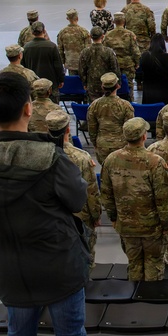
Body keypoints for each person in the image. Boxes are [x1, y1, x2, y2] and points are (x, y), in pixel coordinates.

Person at [0, 72, 91, 336]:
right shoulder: (50, 158)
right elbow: (77, 200)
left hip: (10, 268)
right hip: (59, 266)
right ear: (28, 108)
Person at [101, 117, 168, 282]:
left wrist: (113, 217)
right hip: (152, 227)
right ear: (144, 136)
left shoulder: (111, 160)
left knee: (134, 264)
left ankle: (135, 300)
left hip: (126, 224)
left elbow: (106, 193)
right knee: (154, 264)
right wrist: (166, 224)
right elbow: (162, 199)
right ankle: (151, 302)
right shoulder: (155, 162)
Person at [45, 110, 102, 266]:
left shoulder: (39, 154)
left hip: (49, 215)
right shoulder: (81, 157)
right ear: (68, 129)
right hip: (80, 216)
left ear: (47, 129)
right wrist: (96, 214)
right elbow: (90, 190)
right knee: (85, 257)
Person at [87, 72, 135, 163]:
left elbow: (92, 128)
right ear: (117, 86)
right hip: (121, 145)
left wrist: (95, 142)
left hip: (102, 144)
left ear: (102, 87)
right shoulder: (125, 105)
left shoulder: (94, 105)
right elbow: (129, 129)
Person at [22, 22, 65, 102]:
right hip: (51, 85)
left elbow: (23, 67)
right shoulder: (52, 46)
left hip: (33, 85)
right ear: (44, 31)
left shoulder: (26, 47)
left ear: (32, 32)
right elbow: (58, 65)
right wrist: (61, 79)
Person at [78, 27, 120, 103]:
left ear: (90, 37)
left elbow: (82, 70)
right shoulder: (109, 51)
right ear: (103, 36)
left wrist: (84, 83)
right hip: (107, 84)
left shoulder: (85, 52)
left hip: (91, 85)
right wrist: (116, 82)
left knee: (94, 106)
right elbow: (115, 68)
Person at [104, 13, 142, 92]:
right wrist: (137, 63)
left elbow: (105, 51)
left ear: (114, 22)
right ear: (124, 21)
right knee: (129, 86)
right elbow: (135, 51)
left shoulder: (108, 35)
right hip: (127, 64)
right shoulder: (130, 34)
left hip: (113, 64)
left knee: (112, 86)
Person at [138, 34, 168, 105]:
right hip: (164, 93)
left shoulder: (145, 56)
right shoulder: (166, 57)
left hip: (148, 92)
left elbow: (139, 72)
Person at [57, 9, 91, 77]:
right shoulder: (84, 31)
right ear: (77, 18)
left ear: (67, 18)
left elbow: (60, 50)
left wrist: (64, 62)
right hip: (82, 64)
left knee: (74, 83)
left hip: (70, 64)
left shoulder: (62, 32)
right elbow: (88, 49)